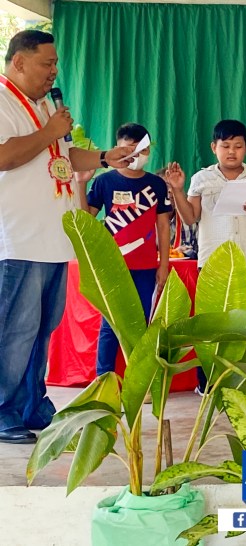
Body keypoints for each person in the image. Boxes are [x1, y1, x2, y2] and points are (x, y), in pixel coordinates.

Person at [0, 30, 133, 444]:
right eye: (47, 63)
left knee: (42, 329)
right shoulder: (3, 100)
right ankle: (3, 411)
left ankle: (33, 404)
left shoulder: (44, 106)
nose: (54, 71)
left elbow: (63, 155)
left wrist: (106, 157)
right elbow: (4, 155)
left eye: (56, 63)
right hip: (19, 239)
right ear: (19, 62)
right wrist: (49, 131)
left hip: (53, 239)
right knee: (14, 330)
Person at [166, 120, 246, 393]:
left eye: (238, 146)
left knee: (243, 325)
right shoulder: (201, 179)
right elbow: (190, 218)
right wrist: (177, 190)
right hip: (212, 262)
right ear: (213, 147)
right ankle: (207, 382)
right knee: (211, 325)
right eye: (225, 146)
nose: (231, 151)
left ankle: (236, 383)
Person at [77, 123, 173, 377]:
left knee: (142, 323)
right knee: (110, 325)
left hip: (146, 267)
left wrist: (163, 264)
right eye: (128, 149)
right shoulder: (104, 181)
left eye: (141, 150)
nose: (135, 155)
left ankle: (139, 380)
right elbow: (86, 219)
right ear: (117, 149)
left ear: (148, 151)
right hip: (112, 267)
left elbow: (164, 226)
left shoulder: (156, 184)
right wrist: (80, 184)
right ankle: (104, 379)